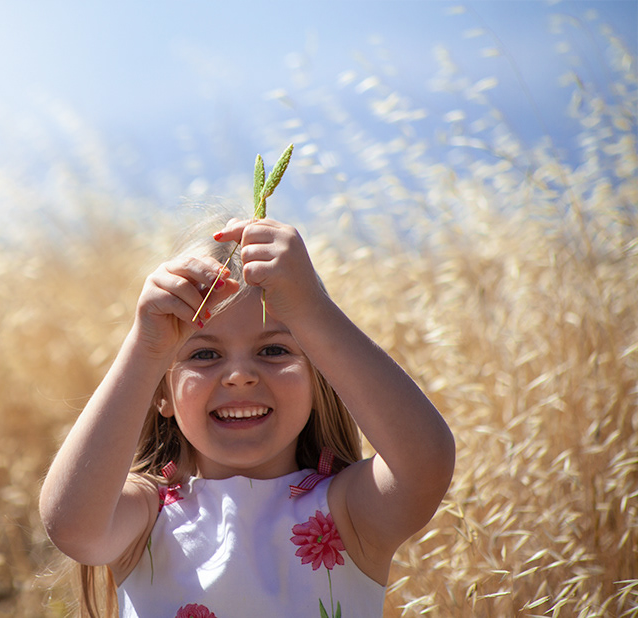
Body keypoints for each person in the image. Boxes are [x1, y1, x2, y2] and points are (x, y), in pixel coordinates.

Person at [39, 215, 455, 617]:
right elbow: (72, 527)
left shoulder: (348, 513)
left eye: (273, 350)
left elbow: (425, 462)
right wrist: (145, 348)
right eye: (204, 354)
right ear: (160, 395)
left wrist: (311, 309)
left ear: (320, 380)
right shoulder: (146, 514)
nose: (239, 376)